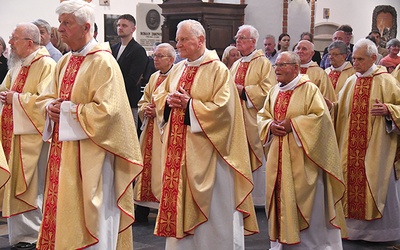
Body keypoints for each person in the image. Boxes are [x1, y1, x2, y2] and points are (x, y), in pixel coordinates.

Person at [36, 1, 143, 249]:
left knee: (92, 216)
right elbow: (50, 98)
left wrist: (64, 110)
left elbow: (108, 113)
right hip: (64, 154)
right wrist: (49, 107)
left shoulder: (103, 62)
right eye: (60, 23)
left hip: (94, 157)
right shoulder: (64, 61)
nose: (59, 29)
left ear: (86, 27)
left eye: (66, 23)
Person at [153, 19, 258, 249]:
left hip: (208, 156)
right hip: (178, 154)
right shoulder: (179, 68)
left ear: (201, 40)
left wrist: (190, 104)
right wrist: (169, 101)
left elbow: (224, 111)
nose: (178, 45)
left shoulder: (218, 69)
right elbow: (159, 96)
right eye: (177, 40)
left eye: (183, 40)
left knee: (212, 216)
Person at [258, 51, 346, 249]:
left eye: (282, 65)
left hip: (304, 160)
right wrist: (270, 125)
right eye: (276, 65)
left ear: (296, 68)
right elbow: (263, 115)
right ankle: (281, 243)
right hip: (278, 156)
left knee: (306, 201)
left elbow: (321, 119)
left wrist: (295, 125)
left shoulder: (309, 90)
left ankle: (310, 245)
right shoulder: (274, 91)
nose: (277, 69)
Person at [335, 38, 400, 242]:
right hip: (350, 147)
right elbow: (340, 110)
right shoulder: (351, 81)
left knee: (377, 184)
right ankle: (352, 231)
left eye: (360, 59)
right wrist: (330, 107)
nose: (355, 63)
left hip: (377, 149)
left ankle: (380, 234)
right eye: (354, 58)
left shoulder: (386, 80)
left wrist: (389, 110)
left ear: (373, 58)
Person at [0, 22, 55, 250]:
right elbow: (5, 91)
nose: (10, 43)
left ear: (29, 43)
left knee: (32, 186)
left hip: (32, 138)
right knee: (15, 185)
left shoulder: (47, 65)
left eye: (14, 39)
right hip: (13, 134)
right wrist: (7, 96)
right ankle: (20, 235)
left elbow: (46, 101)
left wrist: (16, 99)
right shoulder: (18, 65)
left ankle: (34, 234)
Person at [231, 24, 276, 206]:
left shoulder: (263, 63)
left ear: (253, 42)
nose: (238, 41)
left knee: (255, 156)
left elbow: (268, 90)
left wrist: (243, 92)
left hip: (252, 119)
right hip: (236, 120)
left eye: (242, 38)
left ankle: (256, 199)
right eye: (237, 38)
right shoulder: (235, 64)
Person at [133, 43, 176, 222]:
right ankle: (142, 210)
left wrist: (158, 111)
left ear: (171, 59)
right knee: (146, 168)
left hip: (166, 131)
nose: (155, 59)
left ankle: (161, 210)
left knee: (162, 169)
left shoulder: (176, 77)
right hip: (150, 130)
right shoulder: (153, 77)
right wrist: (145, 111)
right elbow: (143, 101)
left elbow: (173, 103)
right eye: (155, 56)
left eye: (160, 56)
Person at [111, 14, 148, 129]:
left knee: (128, 133)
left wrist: (112, 86)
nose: (120, 28)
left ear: (133, 29)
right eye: (118, 25)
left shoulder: (138, 50)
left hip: (129, 100)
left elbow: (133, 79)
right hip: (112, 100)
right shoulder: (113, 48)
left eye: (124, 25)